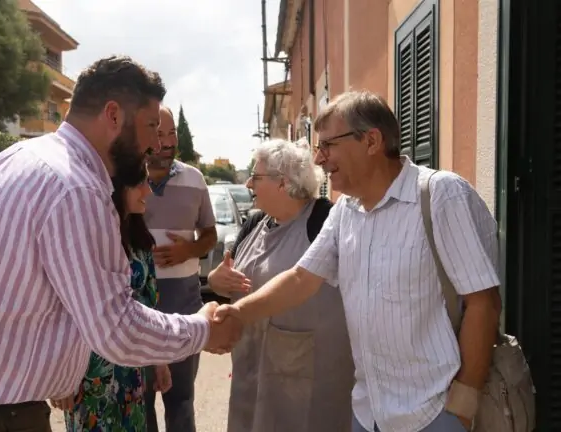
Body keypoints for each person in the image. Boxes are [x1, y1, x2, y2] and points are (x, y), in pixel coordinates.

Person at [0, 55, 241, 432]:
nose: (156, 143)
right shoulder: (78, 189)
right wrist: (202, 328)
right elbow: (116, 329)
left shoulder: (17, 158)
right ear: (113, 116)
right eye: (151, 125)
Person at [214, 90, 502, 432]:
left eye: (328, 146)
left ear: (371, 141)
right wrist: (238, 313)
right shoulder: (346, 212)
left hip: (434, 414)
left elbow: (483, 302)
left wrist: (462, 408)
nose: (319, 159)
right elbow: (301, 279)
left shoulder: (441, 195)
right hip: (368, 415)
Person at [208, 138, 354, 432]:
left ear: (283, 183)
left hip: (310, 378)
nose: (248, 183)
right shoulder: (255, 223)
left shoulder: (324, 220)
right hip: (251, 369)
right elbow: (223, 278)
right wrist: (215, 279)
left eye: (256, 176)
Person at [54, 162, 171, 432]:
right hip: (88, 372)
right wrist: (61, 373)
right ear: (118, 189)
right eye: (140, 183)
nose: (148, 191)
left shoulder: (140, 239)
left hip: (131, 369)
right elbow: (63, 308)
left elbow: (150, 304)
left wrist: (160, 360)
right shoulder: (88, 237)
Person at [142, 105, 217, 432]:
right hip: (136, 315)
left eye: (172, 133)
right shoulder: (123, 180)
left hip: (184, 312)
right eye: (160, 133)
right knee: (139, 405)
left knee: (182, 403)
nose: (169, 141)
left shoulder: (194, 179)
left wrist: (190, 249)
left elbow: (210, 235)